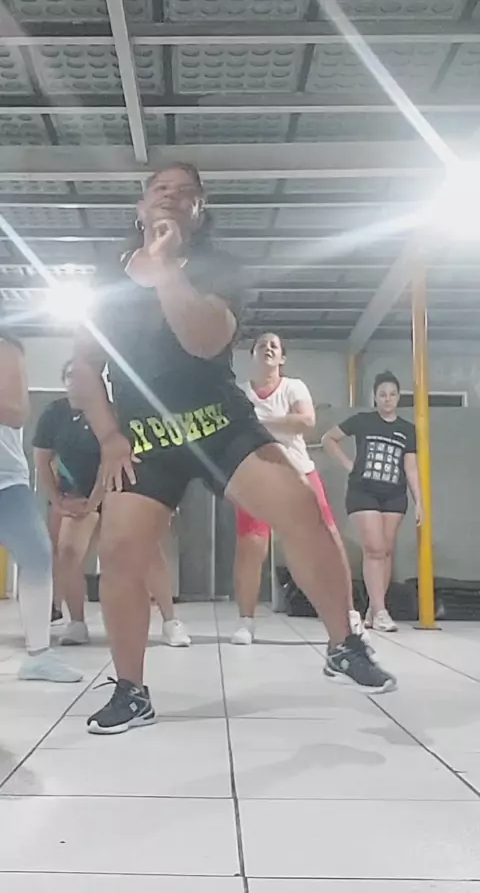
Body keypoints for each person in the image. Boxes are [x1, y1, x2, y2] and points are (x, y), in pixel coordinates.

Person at [72, 162, 397, 736]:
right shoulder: (107, 276)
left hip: (219, 425)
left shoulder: (218, 267)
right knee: (119, 554)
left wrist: (166, 268)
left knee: (301, 510)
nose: (171, 197)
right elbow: (83, 367)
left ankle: (343, 644)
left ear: (200, 212)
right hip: (147, 438)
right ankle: (130, 691)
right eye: (160, 189)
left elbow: (204, 341)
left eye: (186, 193)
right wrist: (109, 436)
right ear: (141, 208)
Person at [34, 360, 190, 647]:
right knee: (68, 550)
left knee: (148, 552)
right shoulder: (55, 413)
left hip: (121, 488)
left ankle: (170, 621)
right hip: (78, 494)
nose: (76, 382)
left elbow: (112, 457)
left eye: (83, 376)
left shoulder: (114, 413)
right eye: (70, 376)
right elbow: (42, 460)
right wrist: (58, 500)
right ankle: (76, 622)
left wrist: (95, 501)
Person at [232, 332, 365, 645]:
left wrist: (258, 422)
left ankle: (350, 615)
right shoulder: (240, 393)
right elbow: (233, 427)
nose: (268, 348)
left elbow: (306, 421)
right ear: (252, 356)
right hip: (255, 475)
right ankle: (246, 622)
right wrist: (274, 422)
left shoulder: (294, 387)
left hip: (299, 471)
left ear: (282, 358)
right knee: (251, 546)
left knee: (328, 541)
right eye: (261, 345)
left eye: (274, 346)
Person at [0, 334, 82, 682]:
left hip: (5, 479)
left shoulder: (7, 348)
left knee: (36, 554)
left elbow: (17, 413)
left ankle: (38, 655)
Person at [322, 370, 422, 632]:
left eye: (392, 394)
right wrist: (350, 465)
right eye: (382, 394)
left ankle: (374, 609)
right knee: (374, 549)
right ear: (375, 397)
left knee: (385, 551)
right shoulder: (363, 421)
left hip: (394, 495)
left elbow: (411, 468)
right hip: (363, 492)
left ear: (398, 397)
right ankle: (381, 611)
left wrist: (419, 501)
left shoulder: (407, 430)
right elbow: (328, 439)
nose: (387, 399)